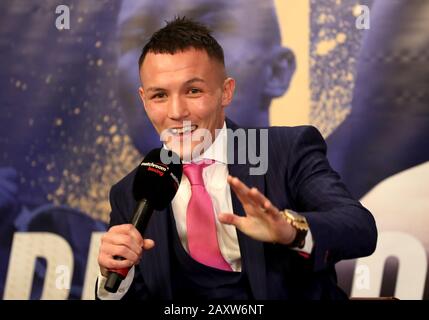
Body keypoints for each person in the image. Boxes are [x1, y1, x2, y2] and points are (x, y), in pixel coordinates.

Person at [96, 17, 377, 300]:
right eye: (159, 95)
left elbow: (359, 229)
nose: (177, 112)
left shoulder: (286, 150)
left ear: (225, 92)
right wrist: (117, 277)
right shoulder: (129, 193)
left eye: (193, 91)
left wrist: (291, 230)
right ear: (144, 101)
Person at [116, 0, 295, 155]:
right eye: (140, 37)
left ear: (276, 72)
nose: (169, 60)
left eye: (203, 31)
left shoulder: (299, 169)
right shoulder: (124, 194)